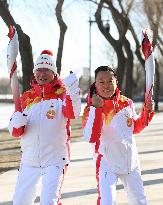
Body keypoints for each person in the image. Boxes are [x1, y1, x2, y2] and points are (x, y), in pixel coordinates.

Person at [8, 50, 81, 205]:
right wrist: (16, 122)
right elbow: (15, 132)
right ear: (34, 73)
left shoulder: (62, 93)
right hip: (29, 160)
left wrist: (73, 92)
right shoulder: (27, 97)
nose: (42, 73)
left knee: (49, 201)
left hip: (55, 159)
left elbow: (73, 113)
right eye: (39, 69)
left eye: (47, 69)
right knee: (20, 201)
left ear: (54, 73)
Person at [82, 66, 154, 205]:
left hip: (130, 162)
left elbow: (135, 127)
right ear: (95, 84)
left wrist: (147, 112)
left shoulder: (126, 103)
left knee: (139, 201)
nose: (106, 85)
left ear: (116, 81)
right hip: (107, 164)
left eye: (110, 80)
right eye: (101, 82)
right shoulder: (90, 110)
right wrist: (96, 109)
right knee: (107, 201)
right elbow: (91, 137)